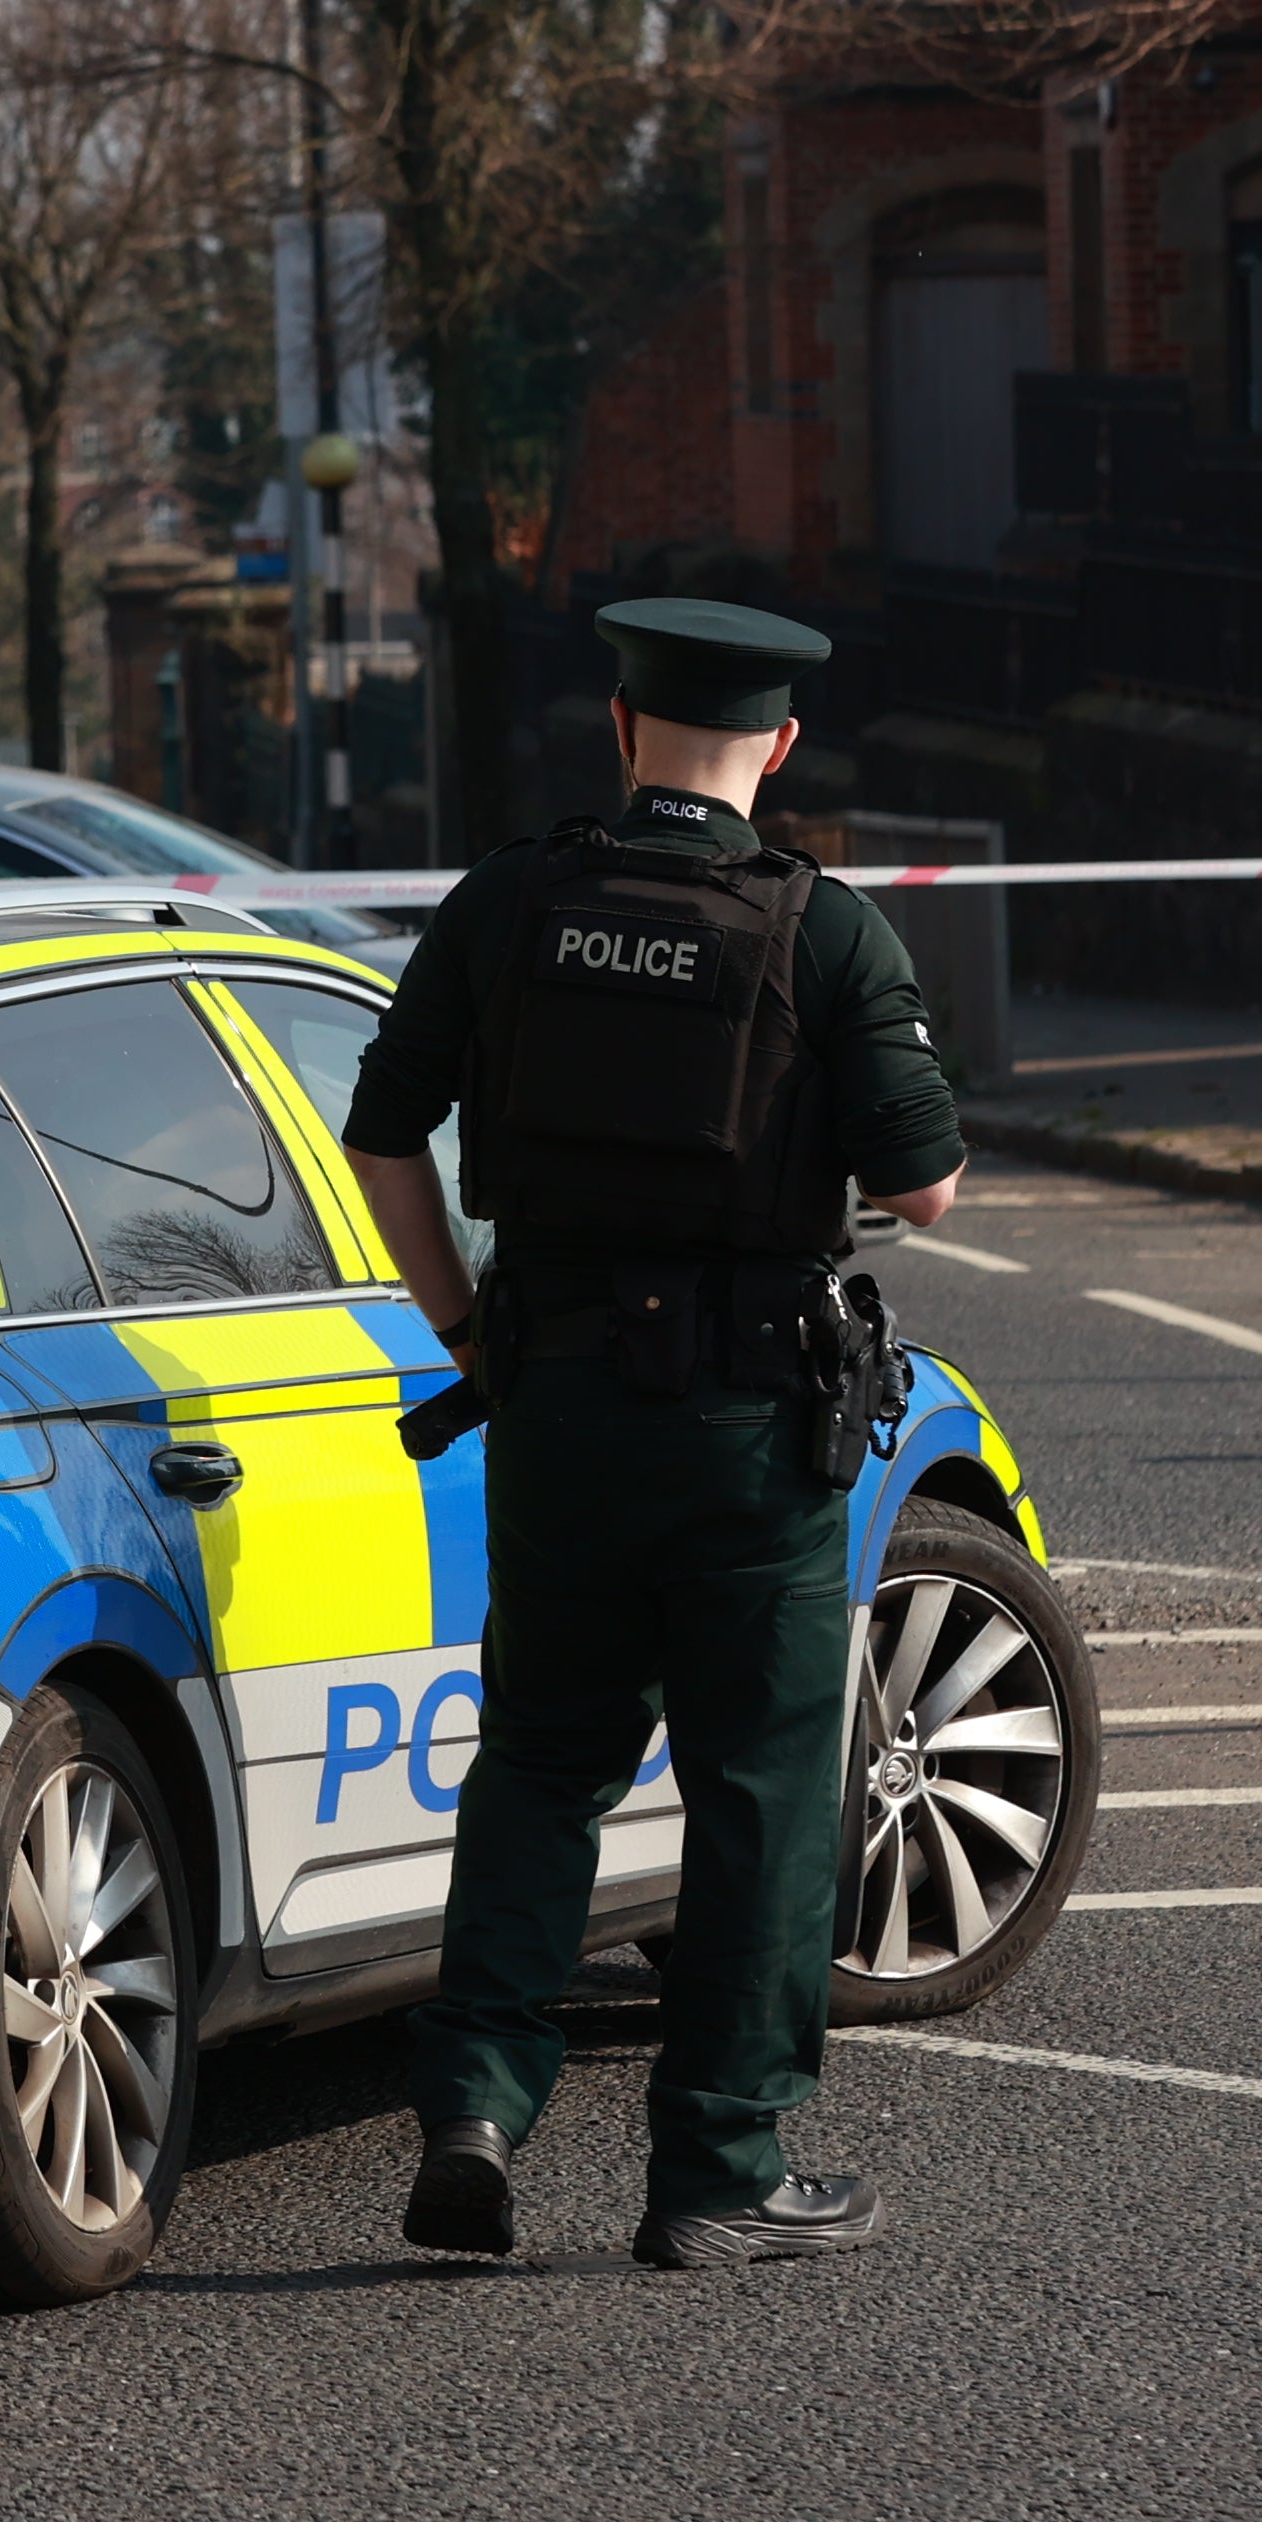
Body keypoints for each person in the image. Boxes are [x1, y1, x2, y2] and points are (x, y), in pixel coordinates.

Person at [334, 597, 967, 2270]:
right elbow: (921, 1181)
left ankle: (474, 2104)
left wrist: (467, 1329)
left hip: (549, 1404)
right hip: (746, 1427)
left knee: (542, 1754)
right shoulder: (821, 931)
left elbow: (382, 1136)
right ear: (780, 747)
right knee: (760, 1784)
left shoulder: (509, 898)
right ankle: (717, 2171)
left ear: (619, 731)